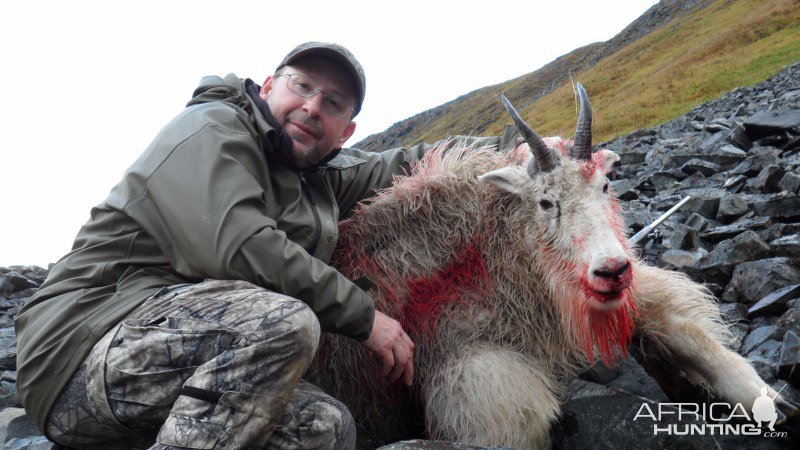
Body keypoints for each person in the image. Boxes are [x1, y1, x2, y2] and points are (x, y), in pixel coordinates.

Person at [15, 42, 518, 449]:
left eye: (334, 103)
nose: (312, 107)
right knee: (283, 323)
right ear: (269, 85)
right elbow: (238, 244)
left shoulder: (317, 174)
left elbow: (404, 161)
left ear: (347, 130)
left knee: (325, 427)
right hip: (80, 356)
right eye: (303, 86)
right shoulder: (210, 126)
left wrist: (515, 151)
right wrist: (366, 317)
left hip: (167, 376)